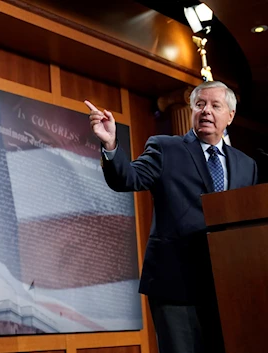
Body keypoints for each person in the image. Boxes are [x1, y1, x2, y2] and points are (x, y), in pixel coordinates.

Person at [85, 80, 257, 353]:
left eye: (215, 105)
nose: (206, 111)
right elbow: (128, 178)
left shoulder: (247, 164)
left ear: (230, 116)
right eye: (200, 105)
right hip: (176, 286)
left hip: (228, 288)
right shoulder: (167, 148)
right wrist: (110, 144)